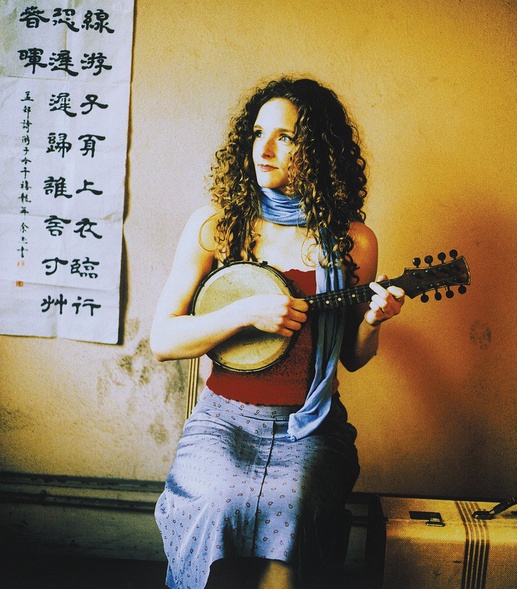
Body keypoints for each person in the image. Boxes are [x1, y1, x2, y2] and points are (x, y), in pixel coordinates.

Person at [150, 77, 404, 589]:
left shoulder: (353, 241)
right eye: (258, 132)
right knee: (216, 500)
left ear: (318, 149)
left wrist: (373, 321)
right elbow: (163, 340)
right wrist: (244, 315)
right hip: (224, 421)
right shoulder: (217, 226)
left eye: (285, 137)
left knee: (293, 508)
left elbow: (351, 358)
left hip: (309, 424)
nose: (263, 149)